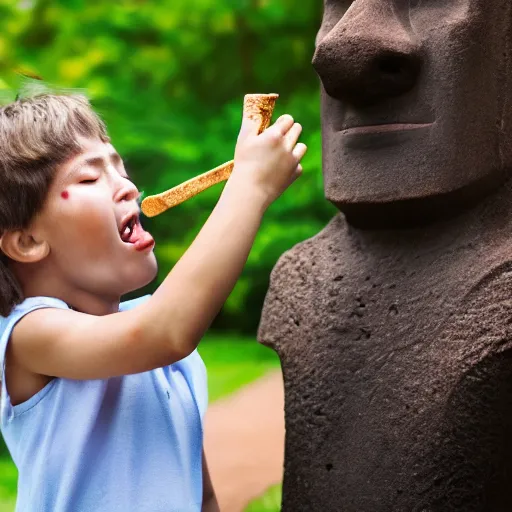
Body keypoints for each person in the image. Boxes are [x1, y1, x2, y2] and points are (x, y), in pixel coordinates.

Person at [0, 93, 306, 512]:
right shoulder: (28, 335)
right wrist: (250, 186)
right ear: (28, 241)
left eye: (119, 169)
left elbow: (203, 496)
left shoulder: (173, 360)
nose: (127, 186)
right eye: (89, 179)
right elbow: (165, 332)